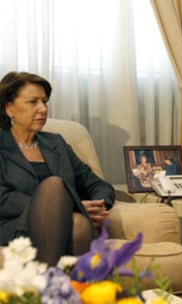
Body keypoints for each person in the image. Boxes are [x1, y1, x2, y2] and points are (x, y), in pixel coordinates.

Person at [0, 71, 115, 266]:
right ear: (9, 108)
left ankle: (54, 289)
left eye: (45, 102)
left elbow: (97, 184)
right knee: (54, 186)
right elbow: (3, 199)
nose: (42, 109)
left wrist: (99, 206)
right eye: (33, 102)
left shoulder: (56, 143)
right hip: (16, 228)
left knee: (78, 224)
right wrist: (68, 206)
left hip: (70, 224)